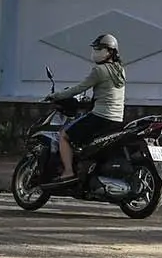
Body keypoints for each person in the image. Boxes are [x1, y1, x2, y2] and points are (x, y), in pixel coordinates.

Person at [45, 33, 126, 183]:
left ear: (110, 52)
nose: (96, 52)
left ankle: (68, 172)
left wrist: (56, 96)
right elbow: (107, 92)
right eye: (95, 49)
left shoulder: (99, 71)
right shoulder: (120, 70)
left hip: (100, 116)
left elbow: (79, 88)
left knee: (64, 135)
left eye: (100, 49)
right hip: (117, 118)